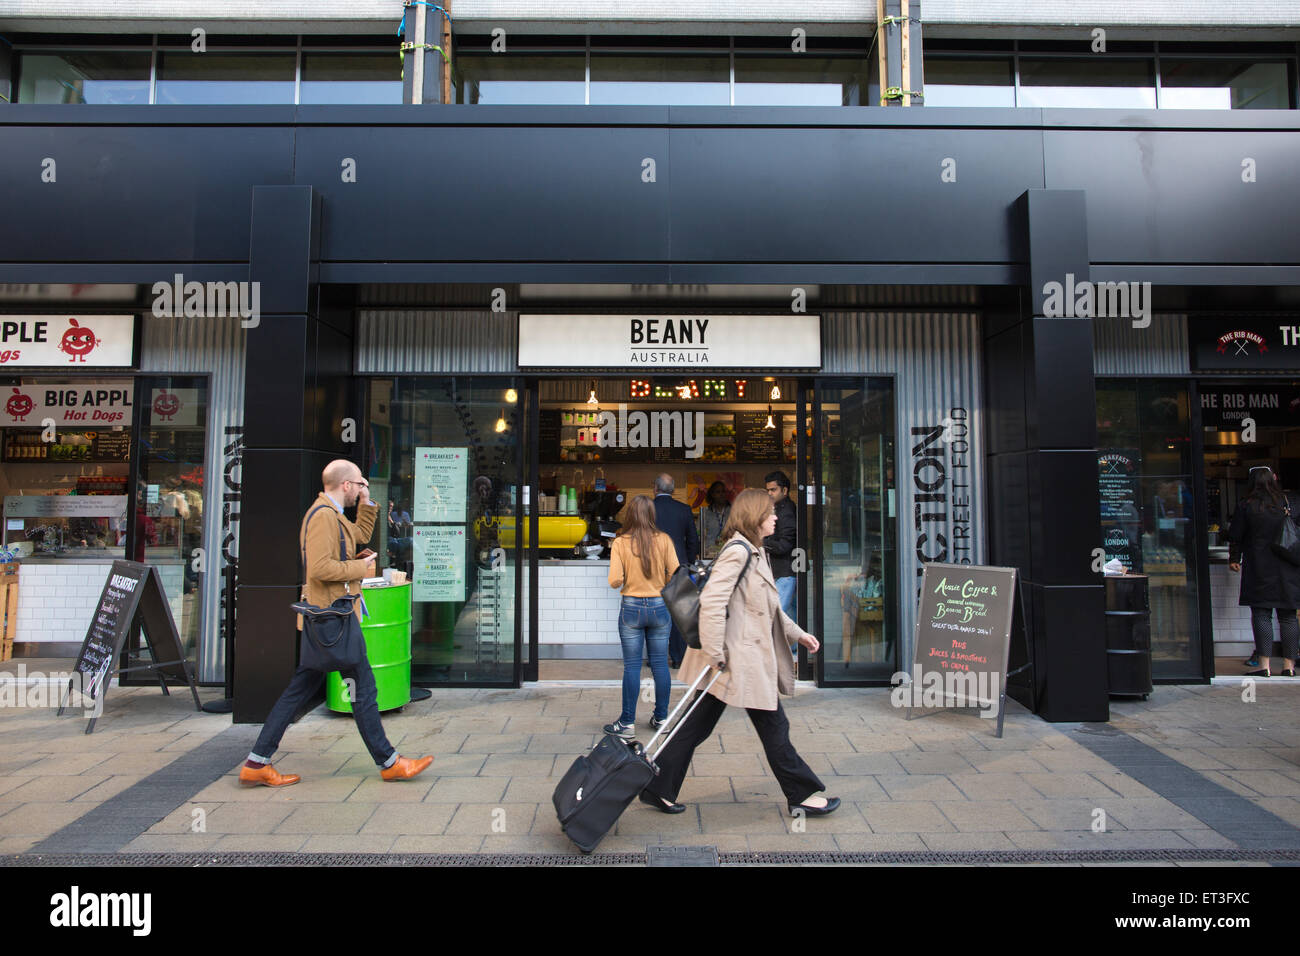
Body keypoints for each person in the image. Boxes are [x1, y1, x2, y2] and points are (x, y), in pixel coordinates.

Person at [640, 488, 837, 818]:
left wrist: (799, 635)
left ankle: (658, 787)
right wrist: (716, 653)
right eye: (770, 512)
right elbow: (714, 603)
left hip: (734, 660)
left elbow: (770, 606)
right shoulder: (738, 552)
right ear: (755, 517)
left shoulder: (756, 551)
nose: (775, 517)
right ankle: (801, 794)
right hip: (734, 660)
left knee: (694, 727)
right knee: (773, 727)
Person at [239, 459, 434, 787]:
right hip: (331, 619)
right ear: (345, 485)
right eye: (359, 485)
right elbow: (319, 568)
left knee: (309, 690)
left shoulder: (332, 515)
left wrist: (367, 504)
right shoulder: (322, 518)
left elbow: (358, 535)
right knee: (362, 689)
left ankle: (258, 762)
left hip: (331, 619)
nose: (361, 490)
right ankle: (389, 762)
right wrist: (360, 570)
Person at [605, 495, 679, 737]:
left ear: (630, 515)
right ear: (652, 515)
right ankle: (662, 718)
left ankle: (627, 723)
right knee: (660, 664)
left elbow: (614, 581)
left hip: (631, 609)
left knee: (632, 667)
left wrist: (630, 575)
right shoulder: (665, 540)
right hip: (659, 607)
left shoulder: (620, 542)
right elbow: (676, 574)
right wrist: (659, 582)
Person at [1228, 466, 1299, 678]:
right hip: (1287, 567)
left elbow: (1236, 535)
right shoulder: (1287, 503)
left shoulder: (1247, 505)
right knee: (1288, 617)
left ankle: (1264, 665)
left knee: (1261, 614)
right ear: (1273, 479)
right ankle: (1289, 666)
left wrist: (1234, 559)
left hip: (1259, 566)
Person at [653, 473, 700, 667]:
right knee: (678, 613)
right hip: (679, 567)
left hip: (653, 567)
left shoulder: (648, 509)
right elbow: (693, 540)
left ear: (655, 488)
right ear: (673, 490)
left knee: (655, 612)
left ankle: (657, 658)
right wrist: (688, 563)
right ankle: (679, 658)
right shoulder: (684, 509)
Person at [764, 470, 798, 627]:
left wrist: (763, 543)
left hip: (785, 571)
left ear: (784, 490)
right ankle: (793, 649)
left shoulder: (787, 511)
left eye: (773, 489)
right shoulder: (779, 508)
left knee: (778, 616)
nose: (770, 493)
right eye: (768, 490)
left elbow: (785, 545)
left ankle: (783, 650)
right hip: (783, 570)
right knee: (789, 615)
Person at [699, 480, 732, 559]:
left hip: (729, 552)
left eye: (723, 491)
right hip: (710, 553)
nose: (721, 494)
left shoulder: (733, 511)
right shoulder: (706, 513)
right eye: (718, 492)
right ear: (712, 494)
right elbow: (698, 532)